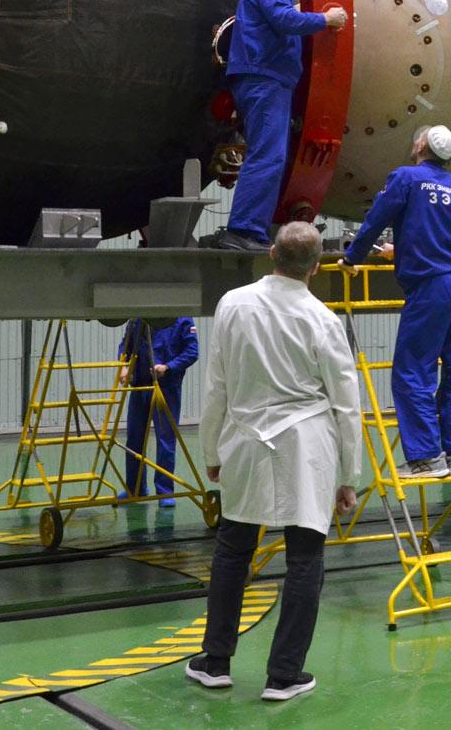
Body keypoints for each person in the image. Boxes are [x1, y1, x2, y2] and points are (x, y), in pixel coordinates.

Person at [190, 222, 361, 702]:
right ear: (317, 267)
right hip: (307, 448)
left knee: (233, 550)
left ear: (271, 254)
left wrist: (211, 452)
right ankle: (284, 675)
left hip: (243, 441)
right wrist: (350, 476)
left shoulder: (232, 304)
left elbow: (217, 385)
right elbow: (346, 403)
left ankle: (215, 662)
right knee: (305, 558)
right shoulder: (323, 319)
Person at [338, 125, 451, 479]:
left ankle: (426, 457)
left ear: (422, 145)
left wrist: (352, 257)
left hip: (431, 284)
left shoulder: (406, 177)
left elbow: (375, 219)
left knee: (412, 369)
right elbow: (440, 233)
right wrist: (400, 249)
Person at [200, 0, 348, 251]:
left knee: (269, 155)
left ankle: (251, 230)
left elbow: (282, 19)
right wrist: (326, 18)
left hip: (267, 81)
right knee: (267, 155)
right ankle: (243, 230)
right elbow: (285, 19)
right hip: (265, 81)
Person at [117, 316, 199, 505]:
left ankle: (165, 492)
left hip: (166, 388)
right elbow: (125, 346)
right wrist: (124, 366)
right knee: (134, 440)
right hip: (140, 387)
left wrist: (168, 367)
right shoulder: (137, 319)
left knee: (165, 440)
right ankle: (135, 489)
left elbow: (192, 352)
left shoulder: (181, 319)